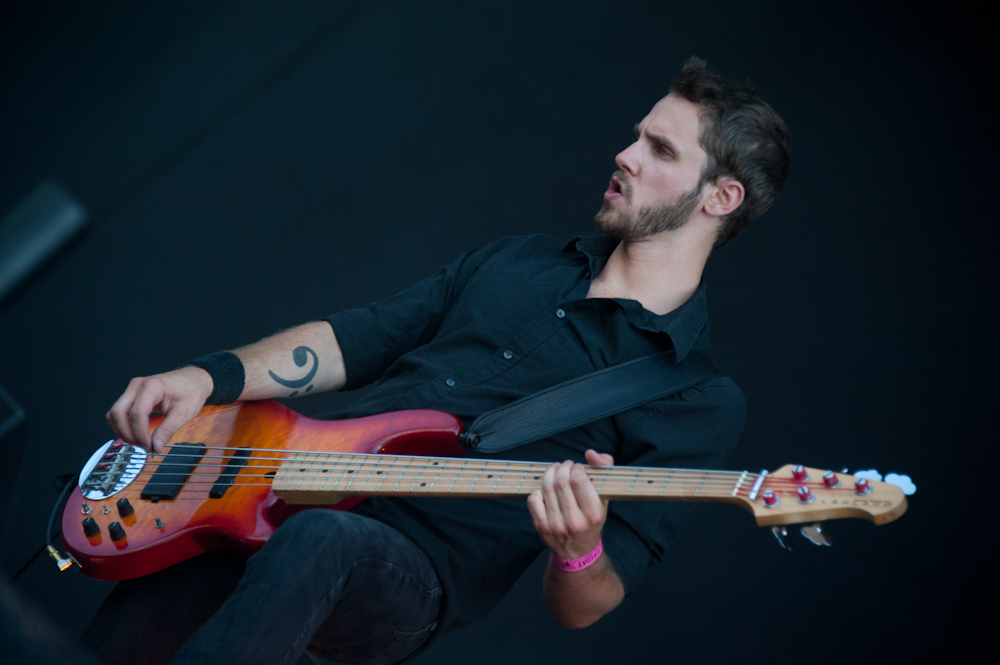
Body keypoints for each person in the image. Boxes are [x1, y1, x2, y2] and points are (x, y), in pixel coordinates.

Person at [86, 57, 790, 665]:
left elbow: (585, 604)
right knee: (175, 566)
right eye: (636, 136)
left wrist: (578, 546)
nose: (625, 155)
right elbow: (356, 338)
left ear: (721, 198)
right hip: (296, 481)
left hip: (411, 573)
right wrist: (206, 377)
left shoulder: (693, 393)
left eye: (659, 150)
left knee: (323, 539)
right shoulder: (520, 260)